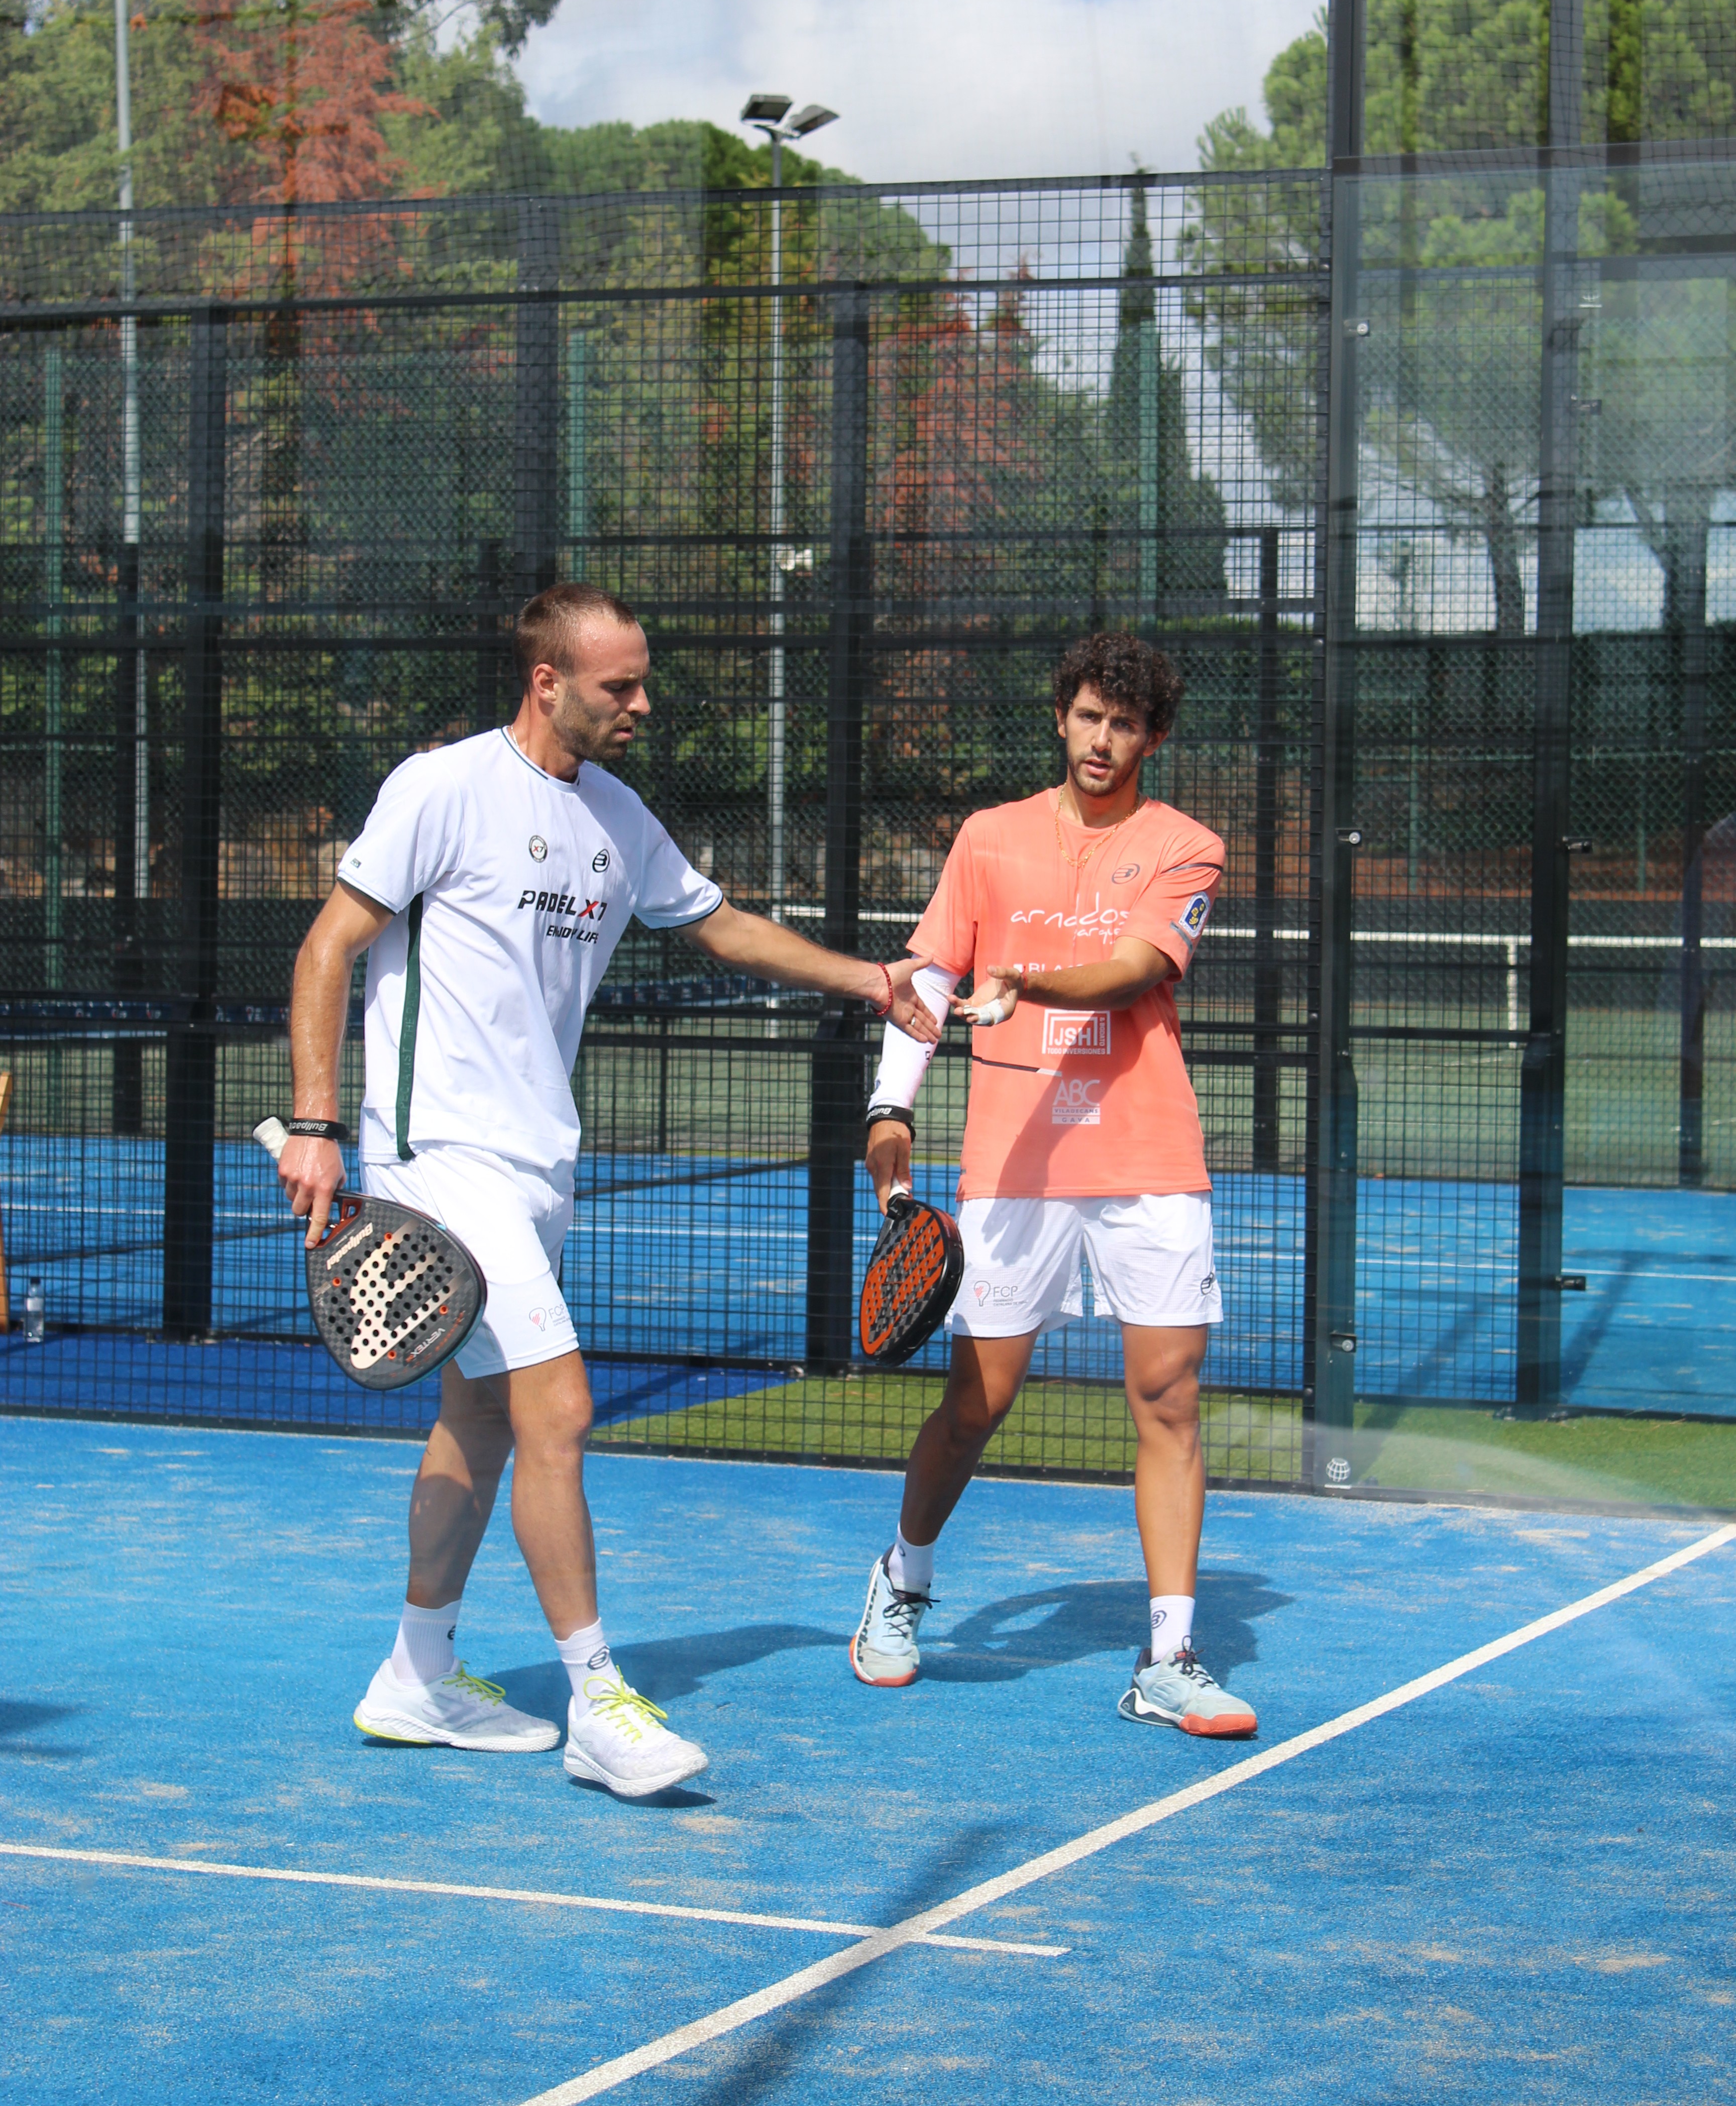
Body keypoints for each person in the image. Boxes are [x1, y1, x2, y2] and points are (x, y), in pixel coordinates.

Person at [277, 582, 937, 1800]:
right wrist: (317, 1124)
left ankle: (415, 1675)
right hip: (436, 1159)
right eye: (617, 684)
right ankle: (598, 1701)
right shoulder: (444, 787)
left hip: (540, 1165)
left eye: (642, 680)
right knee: (561, 1411)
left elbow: (722, 925)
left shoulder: (619, 818)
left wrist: (870, 979)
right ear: (548, 681)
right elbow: (328, 946)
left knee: (477, 1422)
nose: (642, 702)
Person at [852, 631, 1257, 1738]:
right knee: (979, 1402)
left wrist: (1029, 978)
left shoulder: (1188, 846)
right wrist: (892, 1107)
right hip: (1015, 1165)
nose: (1101, 740)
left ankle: (1170, 1656)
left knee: (1169, 1401)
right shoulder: (989, 840)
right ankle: (902, 1583)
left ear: (1153, 739)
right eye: (1087, 717)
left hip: (1146, 1154)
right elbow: (931, 976)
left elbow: (1135, 971)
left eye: (1124, 725)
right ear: (1063, 718)